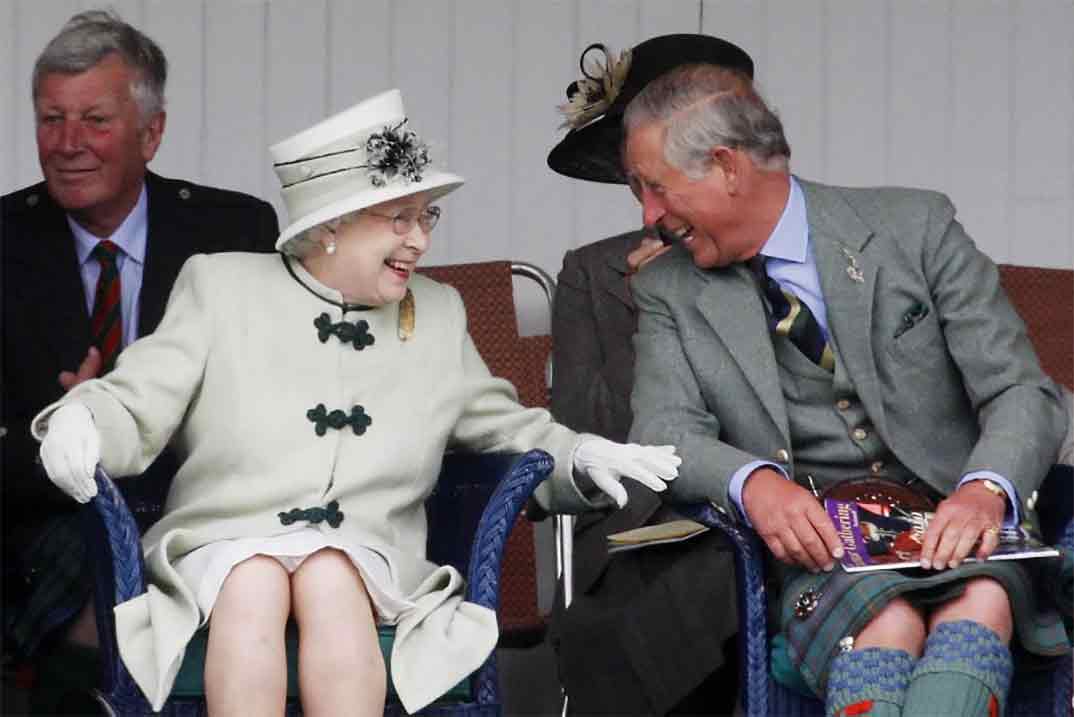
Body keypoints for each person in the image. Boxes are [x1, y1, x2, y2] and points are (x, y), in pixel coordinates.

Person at [31, 88, 681, 716]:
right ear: (332, 226)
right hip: (222, 546)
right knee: (252, 579)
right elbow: (138, 394)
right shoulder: (221, 287)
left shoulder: (436, 311)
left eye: (426, 215)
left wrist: (580, 455)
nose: (421, 240)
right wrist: (83, 418)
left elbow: (503, 426)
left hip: (369, 555)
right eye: (400, 219)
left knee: (331, 574)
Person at [623, 63, 1070, 717]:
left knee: (982, 603)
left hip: (964, 529)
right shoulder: (666, 290)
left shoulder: (916, 226)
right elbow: (662, 431)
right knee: (887, 620)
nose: (649, 215)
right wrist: (754, 483)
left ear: (725, 166)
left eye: (656, 189)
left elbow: (1021, 390)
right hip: (827, 556)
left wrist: (984, 490)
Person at [1, 8, 278, 704]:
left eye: (94, 120)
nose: (67, 143)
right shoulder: (5, 240)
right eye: (50, 119)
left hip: (200, 509)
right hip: (43, 518)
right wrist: (67, 431)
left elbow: (268, 407)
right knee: (97, 563)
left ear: (151, 133)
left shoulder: (233, 229)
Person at [545, 35, 756, 715]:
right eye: (639, 181)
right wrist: (649, 311)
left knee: (723, 582)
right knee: (616, 623)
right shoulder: (592, 272)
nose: (647, 210)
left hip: (754, 520)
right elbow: (585, 437)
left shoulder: (772, 262)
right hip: (637, 537)